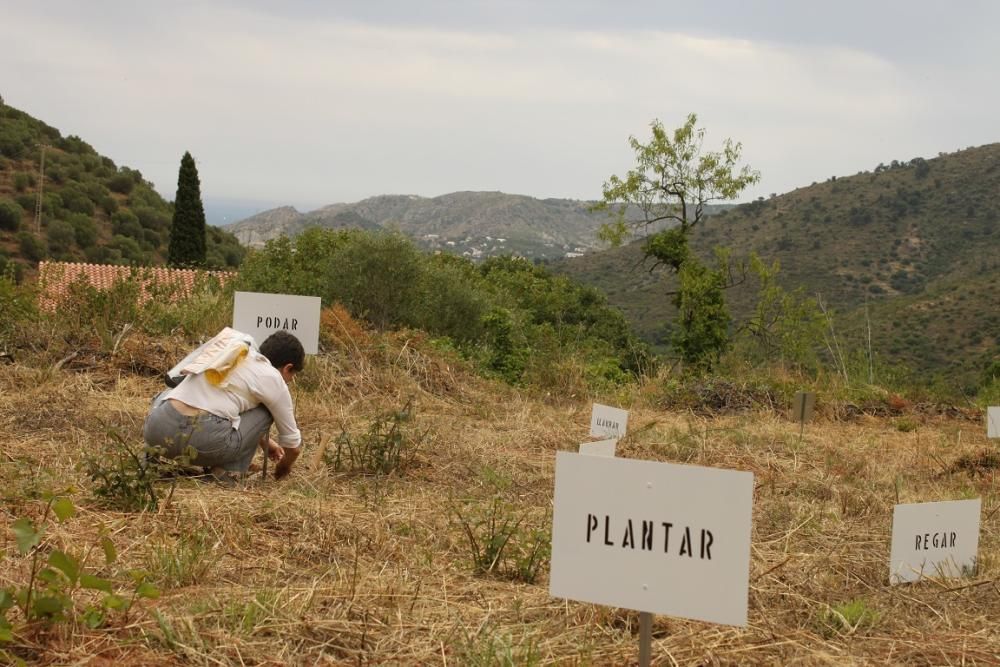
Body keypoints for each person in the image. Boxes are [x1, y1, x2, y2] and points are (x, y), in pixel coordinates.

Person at [143, 330, 304, 482]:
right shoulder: (274, 379)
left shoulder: (230, 353)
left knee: (174, 391)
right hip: (201, 444)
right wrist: (283, 469)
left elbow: (219, 402)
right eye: (292, 375)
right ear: (288, 367)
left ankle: (149, 462)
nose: (290, 380)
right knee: (266, 410)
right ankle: (227, 474)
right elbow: (292, 446)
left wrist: (265, 443)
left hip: (156, 432)